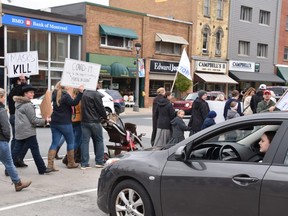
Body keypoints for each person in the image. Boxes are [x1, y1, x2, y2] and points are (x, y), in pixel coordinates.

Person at [12, 84, 52, 175]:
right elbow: (34, 120)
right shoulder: (27, 105)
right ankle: (42, 169)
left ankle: (8, 169)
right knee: (35, 150)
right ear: (25, 94)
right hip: (28, 132)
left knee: (16, 151)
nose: (32, 94)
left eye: (33, 92)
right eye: (30, 93)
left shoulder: (18, 103)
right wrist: (46, 121)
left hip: (20, 131)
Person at [0, 88, 32, 192]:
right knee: (9, 162)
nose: (5, 98)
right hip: (1, 141)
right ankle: (18, 183)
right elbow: (5, 128)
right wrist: (7, 138)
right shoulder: (1, 110)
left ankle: (18, 183)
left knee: (8, 162)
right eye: (4, 96)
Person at [47, 82, 84, 170]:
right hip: (65, 122)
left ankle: (50, 165)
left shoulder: (54, 94)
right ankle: (71, 163)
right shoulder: (65, 95)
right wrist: (81, 92)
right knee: (70, 142)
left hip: (54, 122)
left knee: (54, 142)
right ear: (66, 86)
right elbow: (74, 103)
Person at [80, 81, 107, 169]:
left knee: (84, 142)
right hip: (94, 121)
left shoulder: (84, 93)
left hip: (84, 121)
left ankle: (84, 163)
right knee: (99, 140)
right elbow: (100, 108)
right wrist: (105, 117)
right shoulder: (96, 94)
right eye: (97, 83)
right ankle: (99, 161)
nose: (99, 84)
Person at [7, 74, 29, 167]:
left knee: (20, 139)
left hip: (16, 117)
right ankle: (14, 160)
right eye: (23, 80)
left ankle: (17, 159)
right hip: (16, 117)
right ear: (18, 81)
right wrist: (21, 80)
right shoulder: (16, 90)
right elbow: (22, 88)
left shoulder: (16, 90)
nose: (25, 81)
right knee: (19, 139)